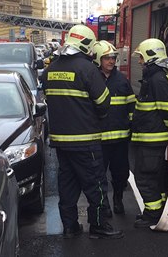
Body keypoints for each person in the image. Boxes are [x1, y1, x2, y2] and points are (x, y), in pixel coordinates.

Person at [39, 25, 123, 239]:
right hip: (86, 141)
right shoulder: (87, 69)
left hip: (60, 142)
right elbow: (104, 103)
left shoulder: (51, 69)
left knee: (67, 185)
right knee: (96, 184)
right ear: (86, 44)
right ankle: (98, 225)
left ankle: (70, 226)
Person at [131, 38, 168, 228]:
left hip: (152, 138)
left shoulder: (157, 79)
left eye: (141, 57)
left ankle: (152, 214)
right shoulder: (155, 76)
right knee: (154, 176)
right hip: (150, 138)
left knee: (145, 177)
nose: (139, 61)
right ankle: (158, 210)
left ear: (150, 56)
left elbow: (167, 109)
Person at [92, 40, 135, 217]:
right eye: (107, 58)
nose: (111, 61)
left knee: (121, 174)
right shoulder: (92, 78)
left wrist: (131, 126)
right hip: (99, 140)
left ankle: (118, 199)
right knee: (99, 175)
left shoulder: (121, 80)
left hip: (120, 140)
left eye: (113, 58)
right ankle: (105, 205)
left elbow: (131, 105)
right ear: (98, 59)